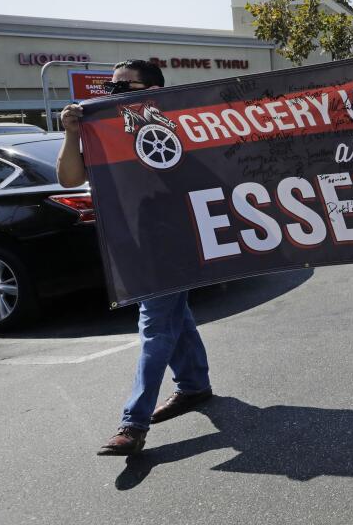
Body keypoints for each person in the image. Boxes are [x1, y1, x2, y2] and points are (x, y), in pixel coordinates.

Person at [56, 59, 213, 457]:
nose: (114, 96)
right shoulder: (103, 129)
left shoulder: (182, 124)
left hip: (177, 243)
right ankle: (194, 385)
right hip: (137, 245)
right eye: (111, 89)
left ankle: (133, 423)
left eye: (125, 88)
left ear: (154, 90)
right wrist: (72, 135)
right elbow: (69, 180)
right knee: (174, 316)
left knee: (157, 325)